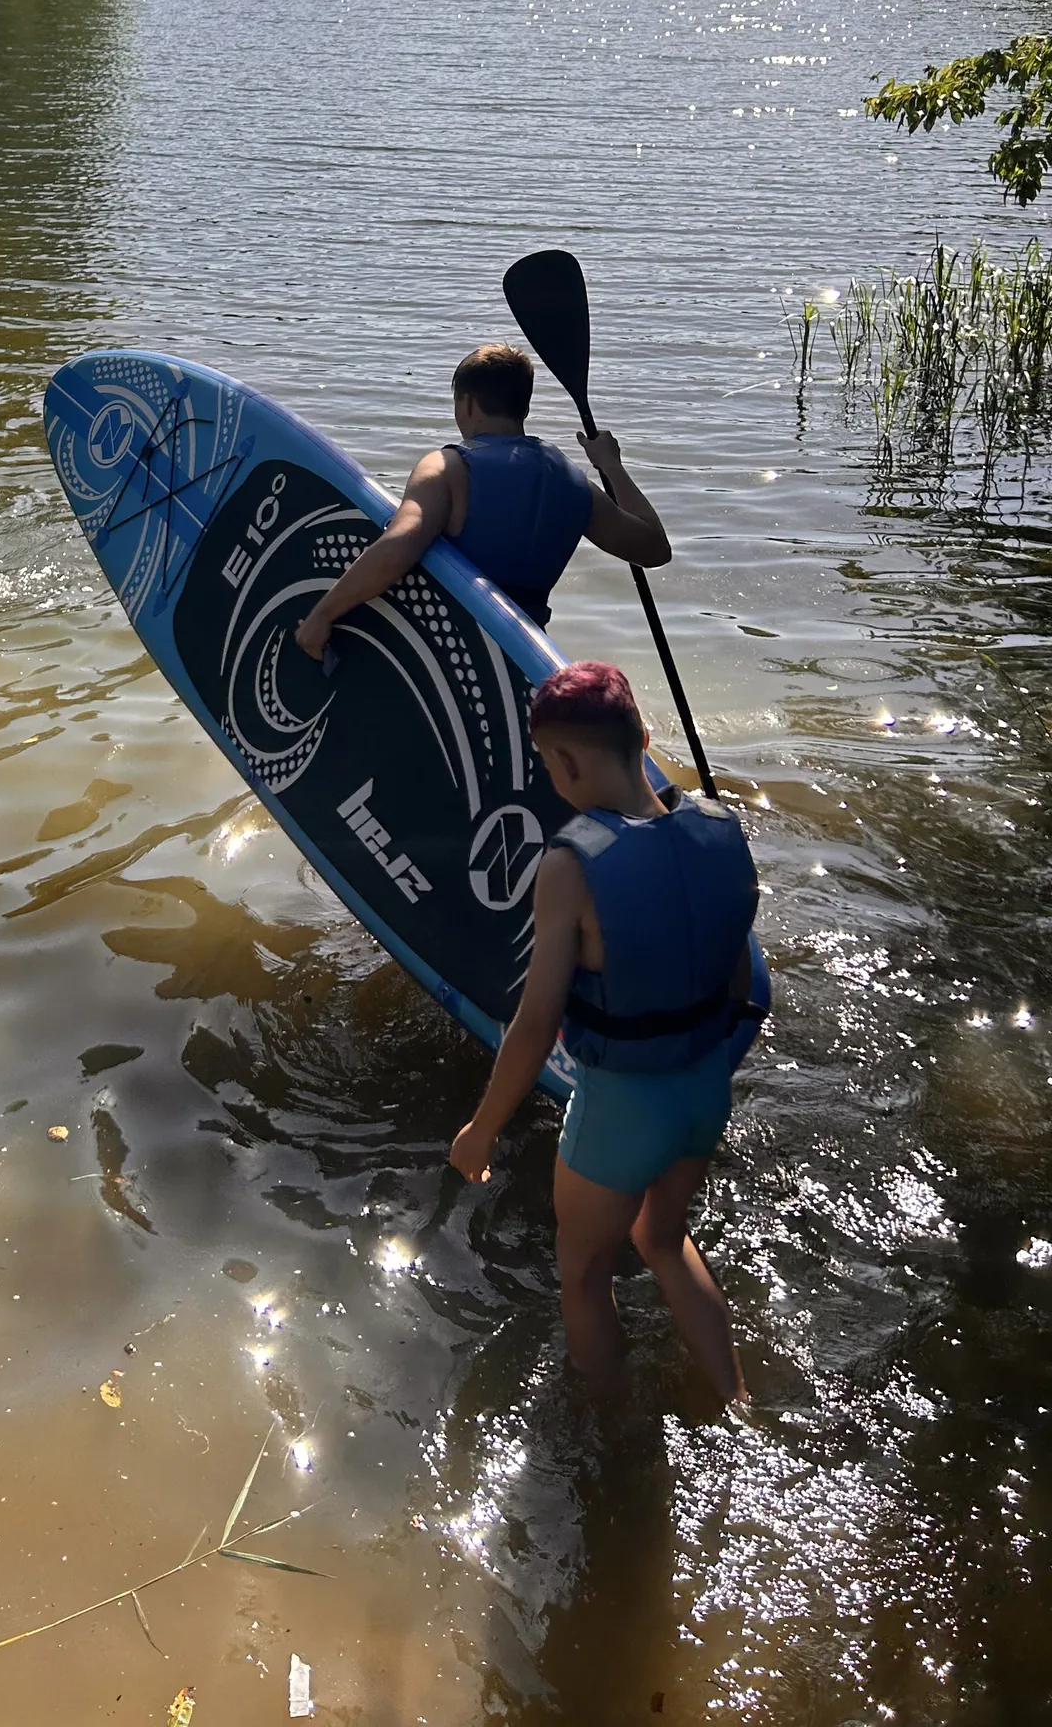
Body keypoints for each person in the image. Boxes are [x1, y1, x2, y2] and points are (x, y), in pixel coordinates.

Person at [448, 661, 763, 1405]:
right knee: (661, 1239)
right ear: (644, 738)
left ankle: (615, 1428)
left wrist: (483, 1129)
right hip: (704, 1089)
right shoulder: (725, 829)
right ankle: (737, 1401)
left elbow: (533, 1026)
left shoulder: (571, 865)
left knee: (584, 1271)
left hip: (624, 1107)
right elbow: (744, 984)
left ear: (562, 763)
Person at [294, 342, 669, 658]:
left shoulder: (448, 467)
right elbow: (654, 548)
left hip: (446, 648)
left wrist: (323, 614)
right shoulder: (572, 481)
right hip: (524, 653)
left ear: (468, 403)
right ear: (523, 406)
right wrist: (611, 466)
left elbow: (400, 544)